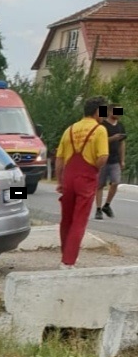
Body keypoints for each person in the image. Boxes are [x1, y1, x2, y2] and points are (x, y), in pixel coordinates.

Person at [55, 97, 109, 269]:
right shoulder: (99, 130)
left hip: (69, 177)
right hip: (86, 177)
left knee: (67, 219)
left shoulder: (70, 129)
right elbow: (103, 156)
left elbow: (59, 159)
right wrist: (95, 168)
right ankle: (68, 261)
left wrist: (60, 180)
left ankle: (65, 255)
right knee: (79, 220)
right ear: (96, 111)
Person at [95, 104, 126, 220]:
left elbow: (122, 144)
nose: (118, 113)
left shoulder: (121, 126)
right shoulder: (102, 125)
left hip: (114, 159)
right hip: (103, 158)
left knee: (116, 182)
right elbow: (99, 140)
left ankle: (107, 205)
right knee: (100, 185)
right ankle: (98, 209)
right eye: (116, 111)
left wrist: (122, 160)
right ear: (109, 111)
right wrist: (113, 138)